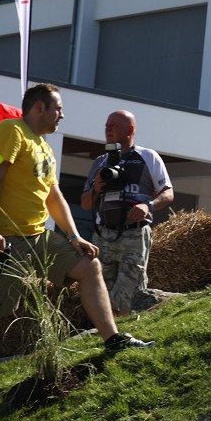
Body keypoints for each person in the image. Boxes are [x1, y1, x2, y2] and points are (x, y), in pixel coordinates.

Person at [0, 84, 154, 411]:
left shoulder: (44, 146)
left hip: (38, 238)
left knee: (89, 265)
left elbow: (53, 196)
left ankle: (113, 341)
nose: (62, 115)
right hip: (2, 238)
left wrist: (74, 236)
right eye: (57, 109)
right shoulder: (10, 131)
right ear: (38, 108)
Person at [80, 111, 174, 317]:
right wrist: (97, 188)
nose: (108, 129)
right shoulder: (100, 162)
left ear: (130, 129)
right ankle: (104, 337)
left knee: (130, 293)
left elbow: (168, 193)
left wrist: (148, 205)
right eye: (106, 125)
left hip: (134, 234)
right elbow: (85, 204)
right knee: (101, 291)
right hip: (103, 235)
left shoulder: (147, 156)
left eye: (114, 125)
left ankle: (127, 335)